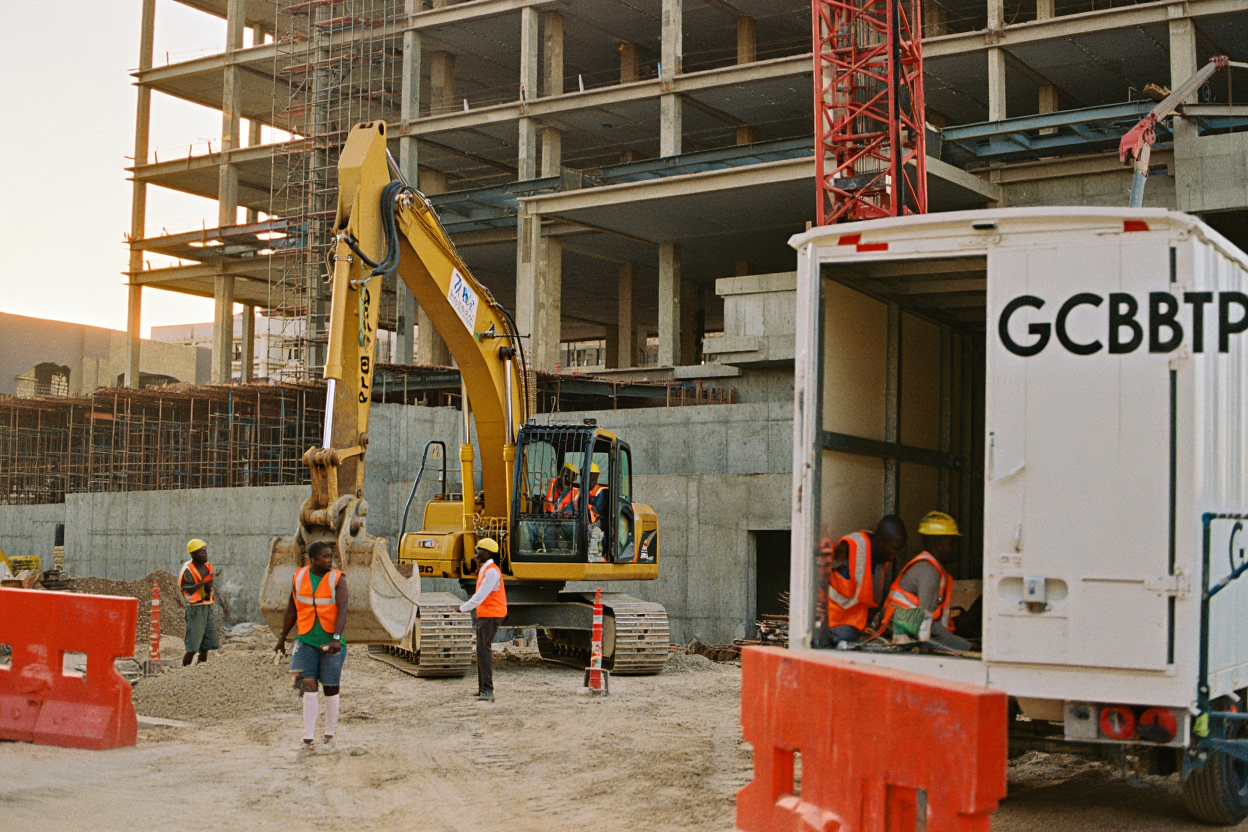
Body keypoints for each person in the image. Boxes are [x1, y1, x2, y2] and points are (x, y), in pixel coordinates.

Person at [275, 541, 348, 754]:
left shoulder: (338, 578)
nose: (330, 559)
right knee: (309, 686)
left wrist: (336, 638)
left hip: (331, 643)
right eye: (326, 556)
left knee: (331, 688)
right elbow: (292, 609)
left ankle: (329, 735)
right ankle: (308, 739)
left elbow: (343, 609)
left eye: (331, 555)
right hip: (306, 639)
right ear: (313, 558)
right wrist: (282, 638)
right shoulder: (298, 577)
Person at [880, 511, 971, 651]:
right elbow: (927, 626)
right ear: (937, 544)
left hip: (907, 634)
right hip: (902, 639)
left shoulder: (933, 568)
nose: (956, 548)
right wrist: (968, 648)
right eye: (952, 543)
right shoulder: (928, 571)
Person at [822, 515, 907, 646]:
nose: (899, 553)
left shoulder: (881, 555)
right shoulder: (850, 548)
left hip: (856, 624)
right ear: (880, 541)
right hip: (834, 621)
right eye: (896, 548)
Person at [459, 538, 507, 702]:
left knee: (484, 650)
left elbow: (480, 596)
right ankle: (483, 689)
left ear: (487, 552)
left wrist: (462, 608)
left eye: (479, 549)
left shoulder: (492, 571)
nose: (476, 552)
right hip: (486, 615)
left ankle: (488, 690)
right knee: (481, 650)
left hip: (492, 616)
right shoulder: (485, 569)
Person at [179, 539, 220, 666]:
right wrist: (204, 583)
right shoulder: (188, 570)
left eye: (205, 552)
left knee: (206, 645)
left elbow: (211, 586)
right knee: (193, 646)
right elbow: (187, 589)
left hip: (208, 607)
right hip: (195, 609)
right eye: (201, 552)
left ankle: (200, 670)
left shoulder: (208, 567)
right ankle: (184, 672)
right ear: (193, 554)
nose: (205, 554)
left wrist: (222, 604)